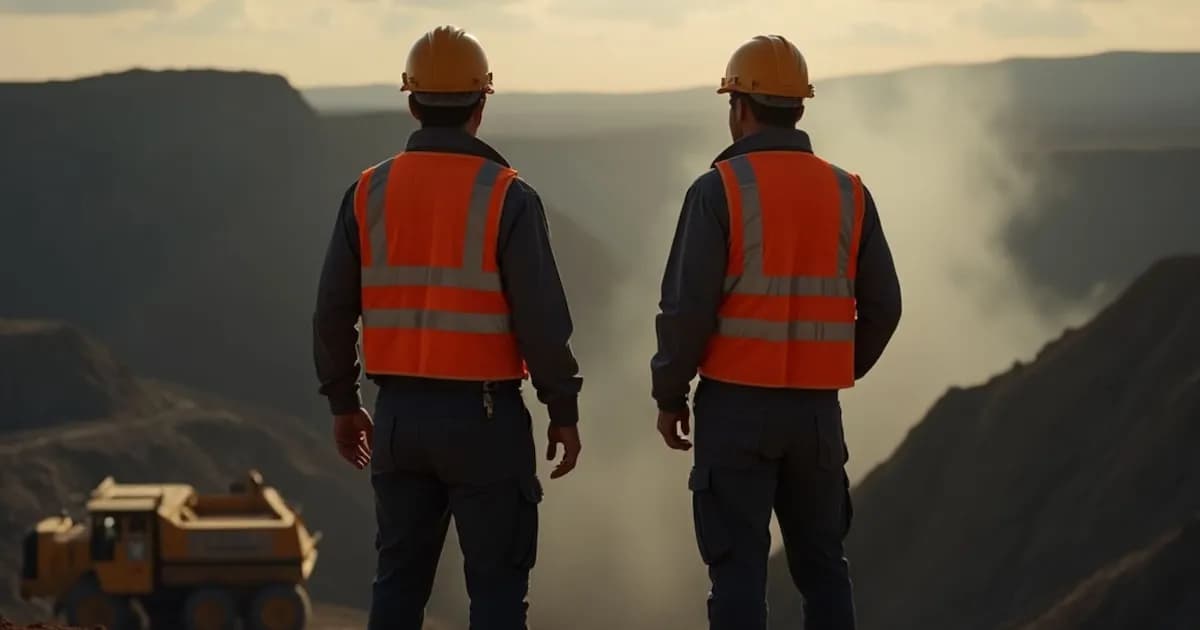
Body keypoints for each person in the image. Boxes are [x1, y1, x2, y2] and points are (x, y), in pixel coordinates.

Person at [312, 25, 583, 630]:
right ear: (481, 104)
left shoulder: (367, 192)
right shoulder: (508, 197)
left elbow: (332, 310)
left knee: (398, 584)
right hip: (485, 420)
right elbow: (542, 321)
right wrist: (561, 408)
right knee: (497, 590)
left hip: (398, 418)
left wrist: (343, 403)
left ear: (412, 102)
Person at [650, 34, 903, 630]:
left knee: (737, 570)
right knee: (824, 568)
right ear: (800, 107)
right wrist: (834, 367)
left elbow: (687, 310)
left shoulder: (717, 190)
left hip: (735, 411)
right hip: (815, 415)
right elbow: (885, 307)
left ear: (739, 106)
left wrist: (670, 395)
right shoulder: (849, 192)